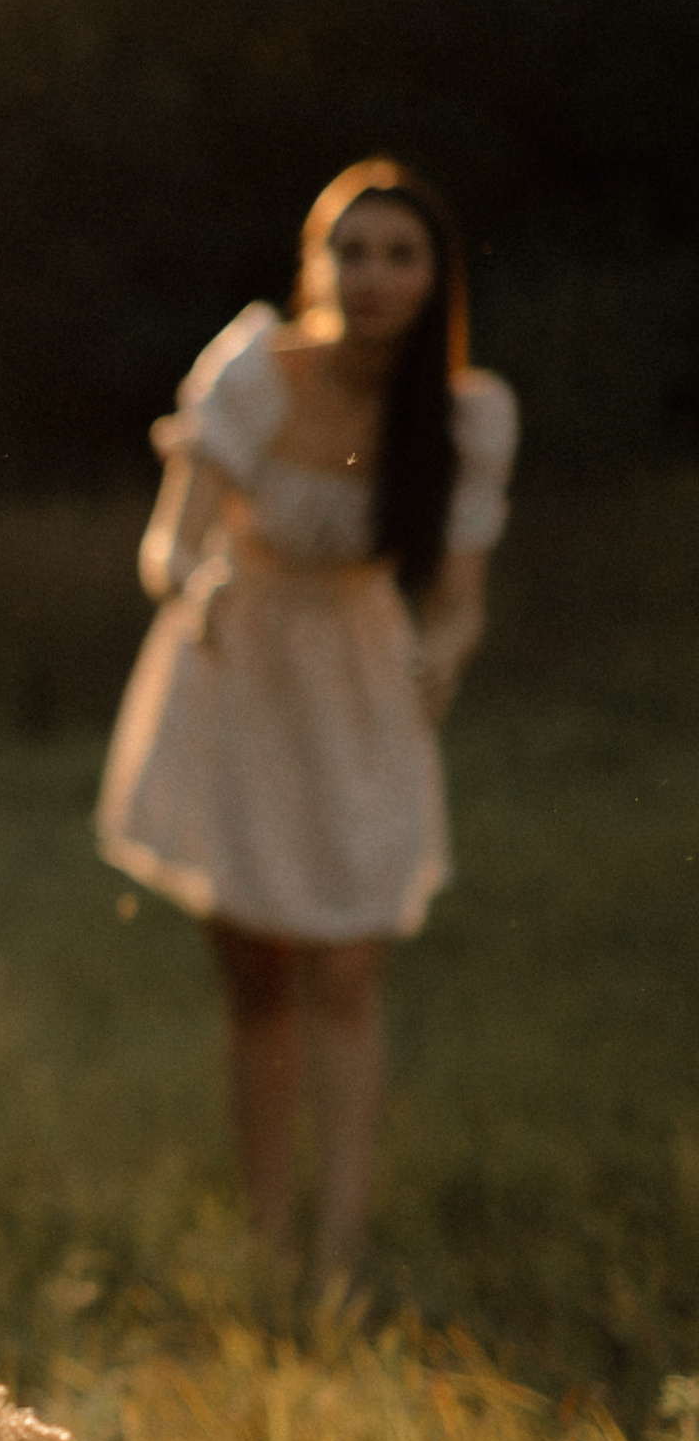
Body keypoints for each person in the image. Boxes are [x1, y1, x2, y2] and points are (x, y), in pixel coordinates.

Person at [95, 160, 518, 1291]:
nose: (370, 276)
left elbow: (460, 599)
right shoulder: (253, 372)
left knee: (347, 966)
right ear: (317, 264)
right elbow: (169, 543)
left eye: (398, 254)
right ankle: (266, 1232)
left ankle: (339, 1247)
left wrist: (443, 652)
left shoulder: (467, 413)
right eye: (350, 250)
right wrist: (200, 588)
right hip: (237, 667)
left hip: (358, 678)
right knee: (257, 970)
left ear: (435, 278)